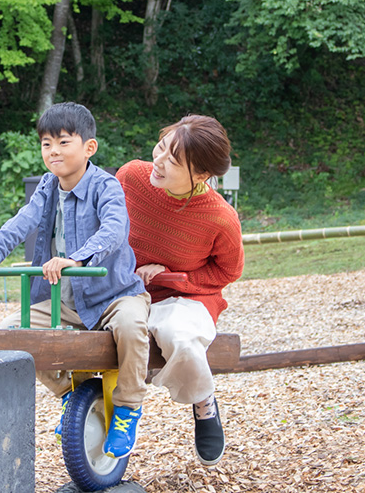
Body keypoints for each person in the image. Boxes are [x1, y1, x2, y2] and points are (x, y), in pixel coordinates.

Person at [0, 102, 151, 459]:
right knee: (11, 333)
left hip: (113, 295)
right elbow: (22, 221)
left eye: (63, 142)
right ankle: (69, 393)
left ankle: (128, 408)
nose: (53, 151)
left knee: (132, 327)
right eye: (46, 143)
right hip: (65, 302)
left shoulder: (106, 186)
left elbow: (114, 229)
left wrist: (77, 257)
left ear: (89, 147)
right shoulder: (48, 187)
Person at [116, 114, 244, 467]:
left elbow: (228, 270)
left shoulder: (220, 217)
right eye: (160, 147)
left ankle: (204, 403)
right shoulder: (131, 177)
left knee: (180, 336)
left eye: (172, 160)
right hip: (128, 288)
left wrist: (174, 277)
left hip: (186, 296)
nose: (158, 161)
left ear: (201, 175)